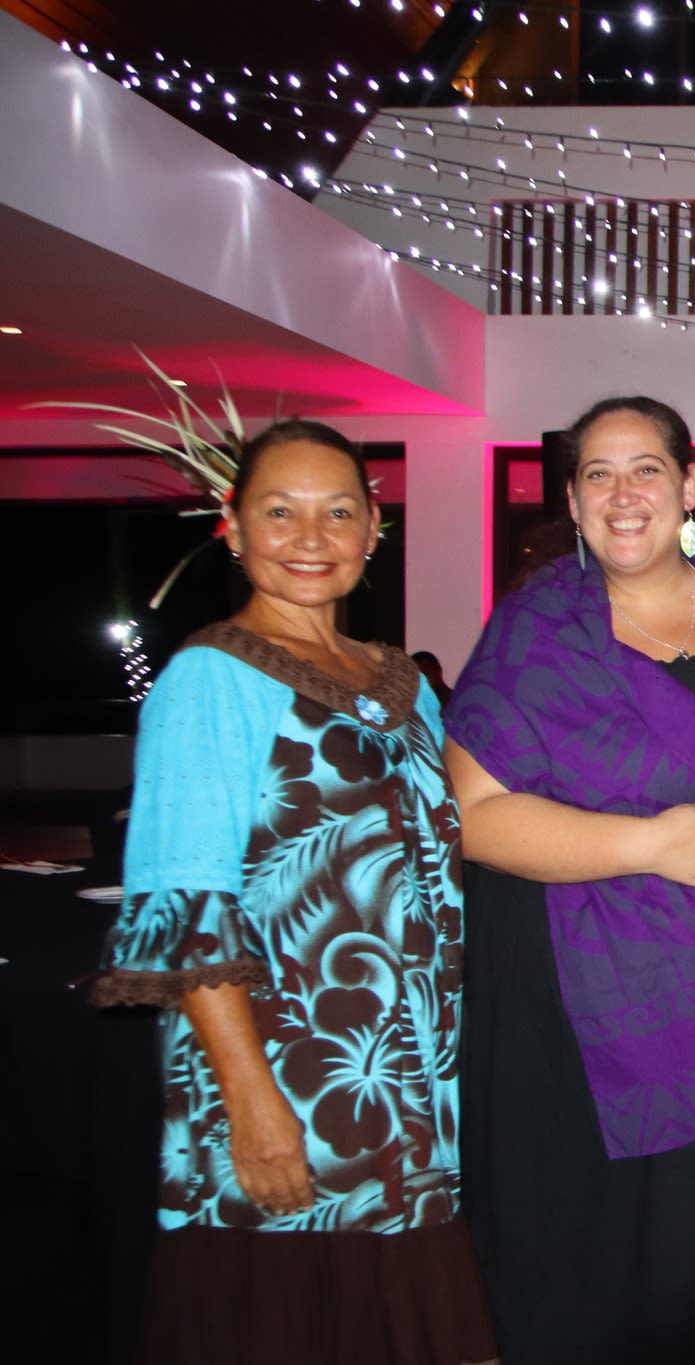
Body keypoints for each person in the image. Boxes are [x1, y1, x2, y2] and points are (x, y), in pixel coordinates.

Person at [443, 396, 695, 1363]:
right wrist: (650, 845)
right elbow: (473, 815)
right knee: (652, 1257)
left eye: (645, 470)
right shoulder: (538, 629)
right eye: (598, 473)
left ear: (689, 485)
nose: (622, 494)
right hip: (629, 994)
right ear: (572, 501)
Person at [95, 420, 495, 1365]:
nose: (311, 538)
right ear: (233, 527)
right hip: (290, 1089)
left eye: (337, 512)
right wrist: (252, 1103)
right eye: (281, 512)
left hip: (407, 1096)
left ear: (373, 529)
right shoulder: (208, 679)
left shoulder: (403, 685)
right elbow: (187, 910)